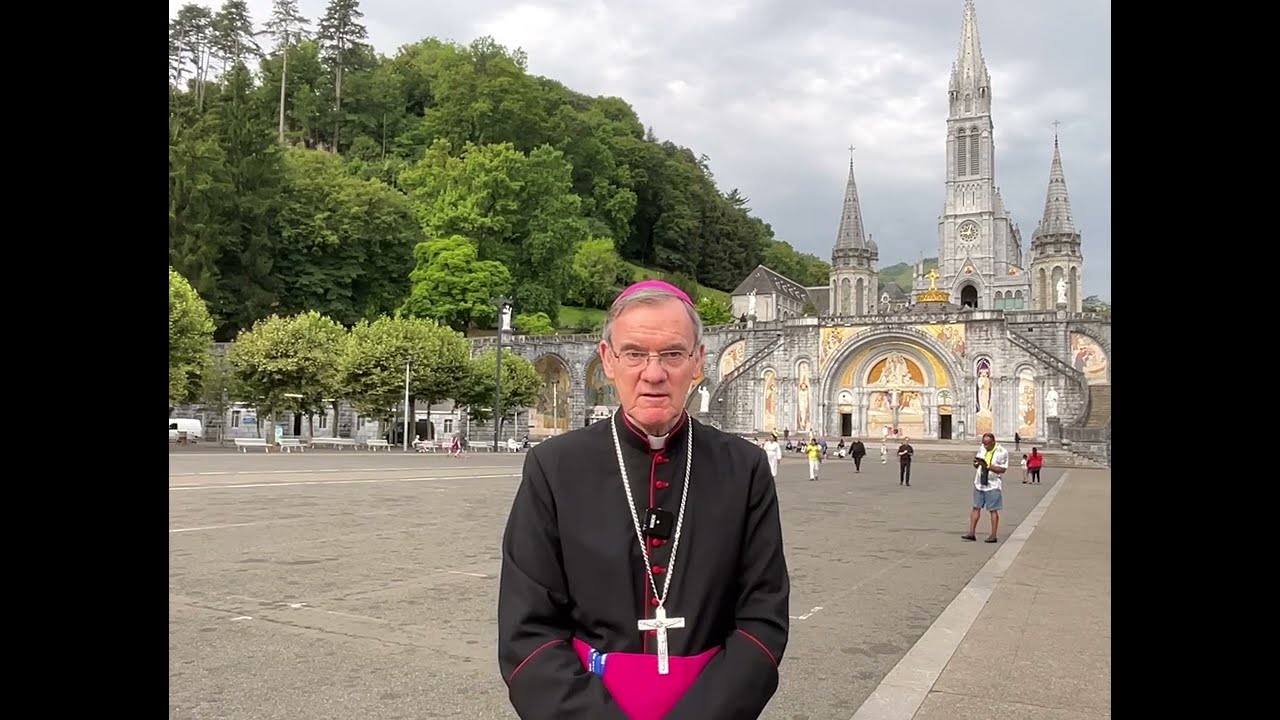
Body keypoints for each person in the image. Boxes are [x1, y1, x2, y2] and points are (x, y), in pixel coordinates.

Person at [497, 280, 790, 720]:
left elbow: (762, 621)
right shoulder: (555, 467)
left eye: (673, 354)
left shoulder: (744, 469)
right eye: (634, 353)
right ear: (608, 361)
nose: (653, 374)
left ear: (698, 362)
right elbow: (528, 631)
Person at [963, 432, 1008, 543]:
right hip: (979, 482)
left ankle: (993, 535)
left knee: (992, 510)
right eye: (983, 443)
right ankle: (971, 533)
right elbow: (977, 462)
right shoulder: (982, 448)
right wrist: (976, 464)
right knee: (975, 507)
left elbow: (1003, 469)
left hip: (992, 485)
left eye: (987, 444)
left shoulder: (1002, 452)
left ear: (993, 442)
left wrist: (989, 467)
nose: (985, 446)